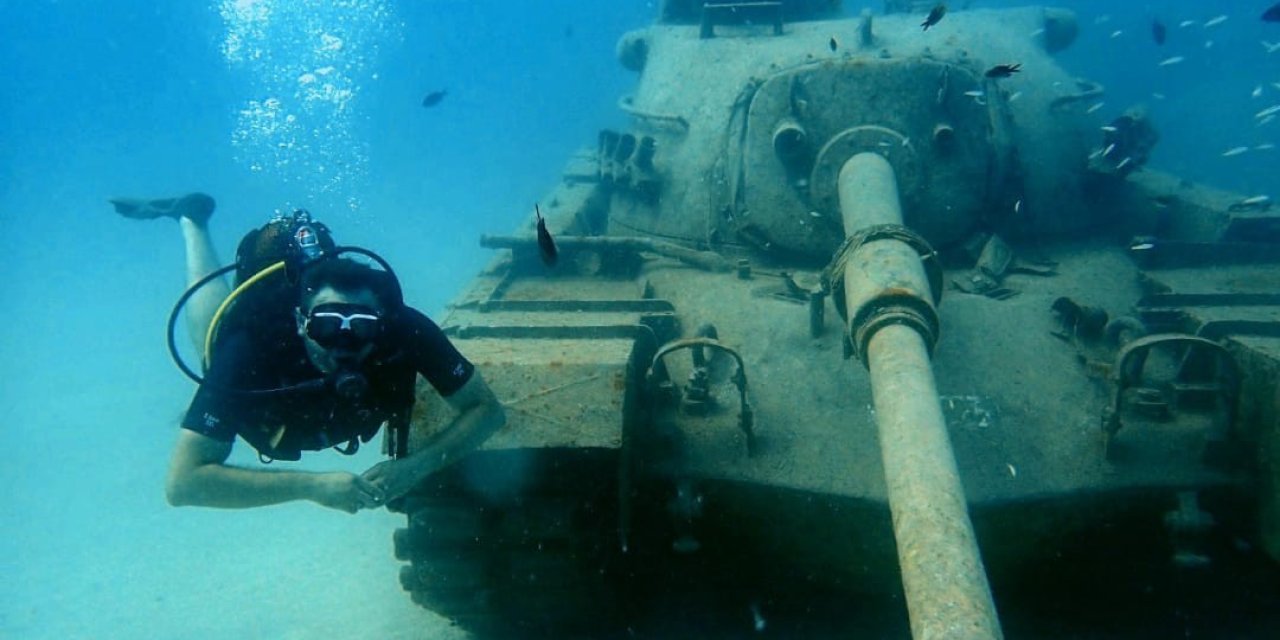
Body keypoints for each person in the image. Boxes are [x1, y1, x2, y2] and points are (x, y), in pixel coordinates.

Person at [110, 193, 505, 514]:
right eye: (327, 326)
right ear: (301, 322)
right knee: (214, 334)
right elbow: (183, 484)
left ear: (381, 322)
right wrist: (311, 487)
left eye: (361, 326)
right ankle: (191, 221)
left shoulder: (406, 329)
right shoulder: (252, 346)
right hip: (252, 356)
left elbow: (487, 409)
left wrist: (415, 467)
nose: (343, 344)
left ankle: (192, 219)